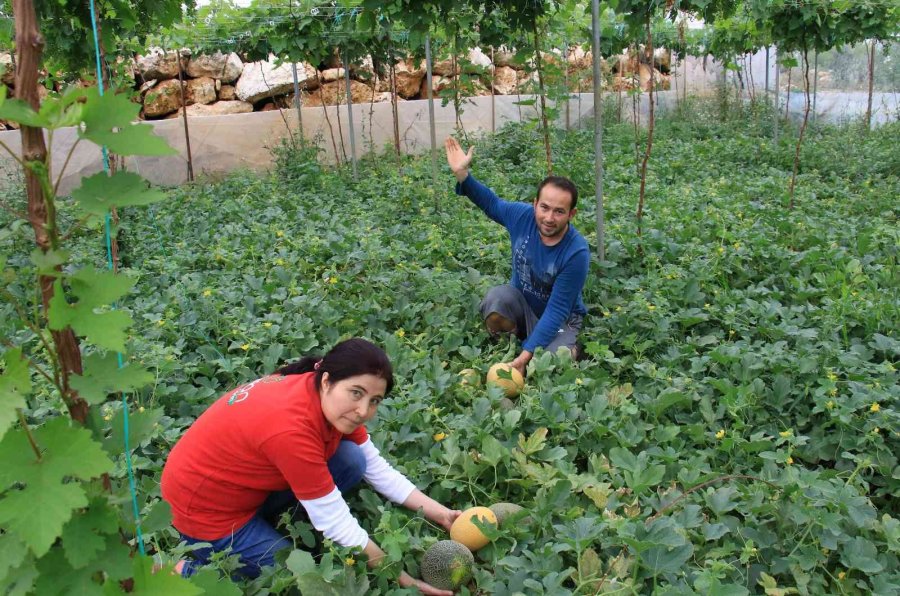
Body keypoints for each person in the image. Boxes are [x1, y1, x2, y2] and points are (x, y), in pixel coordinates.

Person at [161, 338, 460, 594]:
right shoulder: (291, 428)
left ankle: (285, 516)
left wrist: (441, 513)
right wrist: (398, 576)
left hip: (244, 486)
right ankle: (183, 569)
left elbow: (375, 467)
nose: (363, 411)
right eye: (356, 393)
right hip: (205, 513)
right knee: (292, 574)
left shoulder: (320, 393)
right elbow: (335, 521)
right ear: (328, 380)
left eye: (375, 400)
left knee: (351, 459)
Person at [445, 137, 590, 376]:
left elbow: (557, 310)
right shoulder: (523, 217)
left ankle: (571, 350)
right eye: (544, 207)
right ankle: (522, 339)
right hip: (522, 304)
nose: (549, 218)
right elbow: (491, 203)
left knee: (544, 366)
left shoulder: (576, 252)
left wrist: (525, 356)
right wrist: (463, 175)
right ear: (535, 204)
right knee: (495, 300)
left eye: (559, 211)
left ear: (571, 214)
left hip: (560, 320)